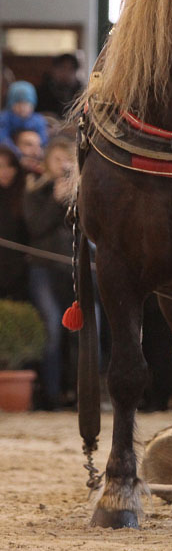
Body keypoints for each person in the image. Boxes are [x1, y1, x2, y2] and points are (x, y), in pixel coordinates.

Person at [23, 137, 76, 409]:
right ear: (47, 162)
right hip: (43, 270)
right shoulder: (35, 190)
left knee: (79, 333)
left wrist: (70, 199)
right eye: (57, 159)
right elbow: (36, 227)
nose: (62, 165)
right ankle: (52, 394)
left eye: (66, 159)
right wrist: (56, 201)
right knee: (53, 329)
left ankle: (76, 393)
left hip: (74, 270)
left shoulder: (78, 193)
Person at [0, 145, 29, 300]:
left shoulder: (25, 193)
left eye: (10, 166)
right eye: (0, 167)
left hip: (20, 269)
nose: (5, 172)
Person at [0, 81, 48, 148]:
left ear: (33, 104)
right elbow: (3, 139)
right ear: (10, 104)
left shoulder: (38, 121)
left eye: (26, 103)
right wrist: (17, 152)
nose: (22, 108)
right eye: (18, 103)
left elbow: (43, 142)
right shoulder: (4, 119)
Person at [37, 54, 83, 119]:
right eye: (62, 68)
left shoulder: (82, 94)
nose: (66, 72)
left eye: (70, 69)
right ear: (54, 69)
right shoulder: (41, 93)